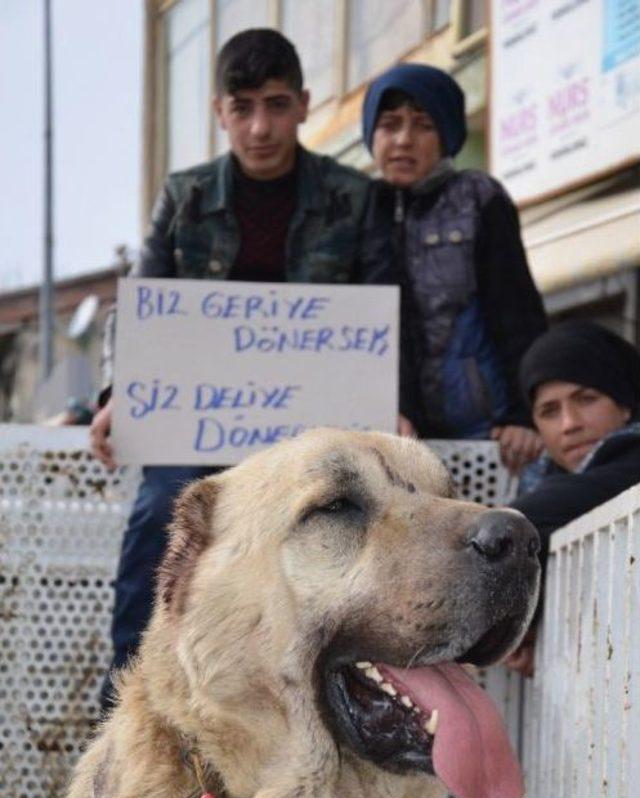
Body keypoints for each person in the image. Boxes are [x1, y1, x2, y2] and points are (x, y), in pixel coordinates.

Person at [91, 28, 379, 708]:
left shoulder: (351, 196)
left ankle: (338, 703)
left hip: (316, 426)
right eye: (243, 107)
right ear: (219, 111)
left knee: (340, 541)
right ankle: (127, 700)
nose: (260, 127)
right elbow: (139, 308)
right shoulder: (185, 197)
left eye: (276, 105)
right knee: (159, 521)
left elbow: (380, 308)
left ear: (304, 105)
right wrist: (114, 394)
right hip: (196, 422)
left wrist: (386, 397)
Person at [362, 63, 547, 472]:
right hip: (394, 439)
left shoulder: (478, 198)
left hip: (486, 435)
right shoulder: (358, 206)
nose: (403, 140)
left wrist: (522, 414)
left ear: (446, 135)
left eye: (423, 125)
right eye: (389, 124)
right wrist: (384, 408)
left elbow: (518, 316)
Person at [505, 321, 640, 676]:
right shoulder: (545, 480)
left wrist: (514, 627)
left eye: (586, 399)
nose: (569, 424)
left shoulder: (631, 460)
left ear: (625, 405)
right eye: (549, 411)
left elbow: (515, 523)